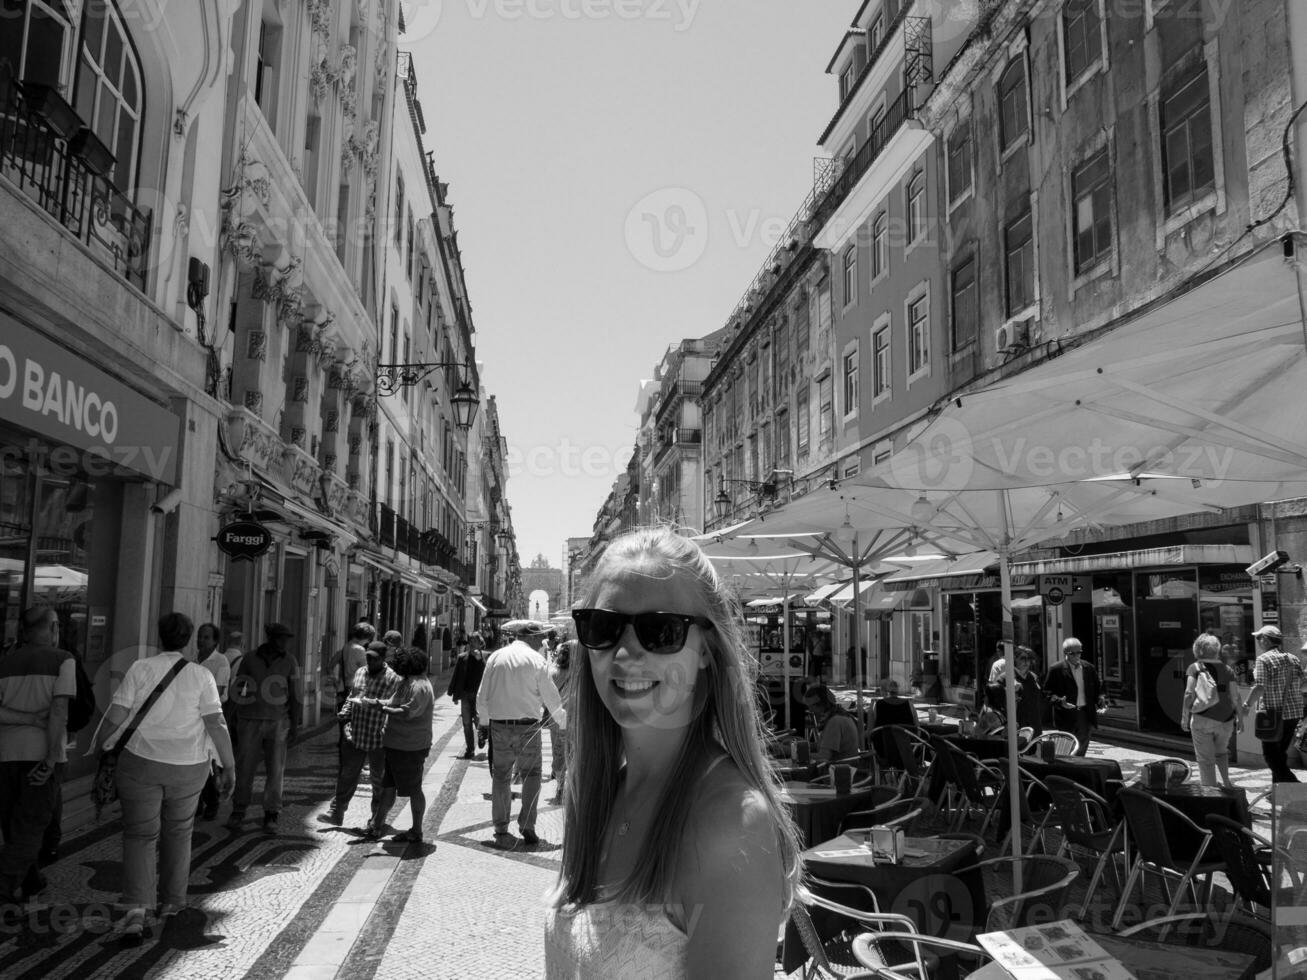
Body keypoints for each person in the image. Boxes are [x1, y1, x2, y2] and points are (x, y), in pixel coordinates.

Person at [546, 527, 801, 978]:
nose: (625, 653)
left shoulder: (729, 824)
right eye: (603, 627)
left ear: (707, 647)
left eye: (659, 631)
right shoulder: (600, 791)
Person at [97, 612, 236, 943]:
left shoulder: (141, 668)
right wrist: (229, 765)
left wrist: (101, 747)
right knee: (179, 832)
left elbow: (116, 714)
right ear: (188, 640)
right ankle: (172, 902)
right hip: (188, 767)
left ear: (159, 635)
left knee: (140, 836)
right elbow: (215, 723)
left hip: (140, 763)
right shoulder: (201, 676)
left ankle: (135, 913)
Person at [0, 606, 73, 903]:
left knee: (13, 821)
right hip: (41, 756)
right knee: (31, 826)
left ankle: (31, 879)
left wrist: (26, 719)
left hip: (5, 754)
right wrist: (52, 758)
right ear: (53, 628)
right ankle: (3, 887)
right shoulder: (63, 660)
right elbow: (59, 709)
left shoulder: (6, 661)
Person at [476, 619, 565, 847]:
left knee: (502, 775)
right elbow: (551, 697)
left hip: (500, 726)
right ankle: (527, 824)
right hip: (528, 727)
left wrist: (484, 724)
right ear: (532, 637)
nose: (541, 642)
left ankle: (500, 825)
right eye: (540, 638)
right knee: (532, 775)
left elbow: (482, 694)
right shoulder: (537, 660)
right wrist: (563, 723)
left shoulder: (496, 657)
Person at [320, 641, 400, 835]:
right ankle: (337, 811)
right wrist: (345, 711)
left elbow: (395, 705)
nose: (370, 661)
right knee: (347, 774)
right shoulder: (360, 672)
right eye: (368, 657)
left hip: (377, 737)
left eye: (374, 658)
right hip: (355, 733)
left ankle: (376, 819)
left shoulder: (393, 679)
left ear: (383, 658)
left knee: (378, 780)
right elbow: (351, 696)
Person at [228, 623, 301, 833]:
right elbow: (239, 687)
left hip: (278, 722)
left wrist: (294, 725)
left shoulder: (290, 660)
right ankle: (239, 809)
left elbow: (296, 695)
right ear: (271, 638)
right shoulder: (250, 658)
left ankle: (271, 812)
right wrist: (229, 716)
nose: (285, 642)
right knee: (245, 768)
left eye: (287, 638)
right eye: (281, 637)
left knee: (276, 769)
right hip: (249, 719)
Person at [375, 646, 435, 842]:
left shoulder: (419, 686)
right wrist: (376, 702)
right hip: (395, 744)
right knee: (388, 786)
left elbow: (408, 712)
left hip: (410, 746)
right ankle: (376, 825)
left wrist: (384, 709)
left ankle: (417, 830)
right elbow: (394, 701)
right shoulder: (406, 682)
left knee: (414, 788)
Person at [1241, 625, 1305, 783]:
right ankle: (1279, 790)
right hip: (1293, 713)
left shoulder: (1263, 659)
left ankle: (1294, 786)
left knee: (1270, 755)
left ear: (1266, 640)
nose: (1258, 641)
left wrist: (1247, 705)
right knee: (1280, 754)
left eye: (1258, 638)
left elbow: (1260, 687)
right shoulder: (1293, 658)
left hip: (1272, 714)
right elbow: (1303, 685)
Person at [1181, 634, 1241, 788]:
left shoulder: (1194, 668)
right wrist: (1240, 718)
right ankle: (1225, 787)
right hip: (1226, 719)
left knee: (1206, 760)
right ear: (1217, 650)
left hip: (1202, 718)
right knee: (1221, 753)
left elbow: (1189, 694)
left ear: (1198, 650)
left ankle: (1210, 793)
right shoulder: (1228, 669)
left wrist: (1185, 717)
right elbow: (1235, 697)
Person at [195, 622, 231, 820]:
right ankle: (198, 802)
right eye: (200, 636)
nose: (201, 640)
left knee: (209, 761)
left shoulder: (221, 661)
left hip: (211, 717)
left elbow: (218, 692)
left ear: (216, 641)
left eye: (206, 637)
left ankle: (212, 801)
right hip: (194, 717)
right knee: (196, 759)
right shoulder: (194, 660)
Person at [1043, 637, 1100, 756]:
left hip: (1085, 713)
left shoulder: (1088, 668)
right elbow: (1047, 692)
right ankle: (1067, 767)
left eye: (1079, 652)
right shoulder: (1056, 669)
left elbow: (1097, 688)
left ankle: (1078, 768)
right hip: (1066, 715)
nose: (1076, 656)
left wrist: (1101, 699)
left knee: (1082, 747)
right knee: (1066, 748)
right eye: (1072, 653)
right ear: (1065, 653)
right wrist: (1059, 701)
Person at [448, 634, 487, 759]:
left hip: (478, 696)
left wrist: (480, 659)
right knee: (466, 723)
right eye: (471, 641)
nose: (472, 644)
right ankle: (470, 749)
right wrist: (453, 694)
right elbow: (456, 676)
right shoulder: (462, 657)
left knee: (478, 721)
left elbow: (487, 675)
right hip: (465, 694)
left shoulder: (484, 657)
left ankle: (481, 736)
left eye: (475, 641)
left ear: (480, 643)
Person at [804, 685, 859, 763]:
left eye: (811, 706)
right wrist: (799, 746)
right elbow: (824, 745)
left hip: (838, 771)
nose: (810, 710)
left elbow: (824, 756)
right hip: (844, 767)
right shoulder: (841, 715)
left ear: (822, 704)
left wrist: (795, 753)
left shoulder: (835, 722)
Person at [547, 640, 574, 800]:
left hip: (555, 720)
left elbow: (544, 698)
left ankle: (560, 786)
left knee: (558, 753)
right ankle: (571, 786)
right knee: (572, 753)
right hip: (574, 720)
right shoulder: (579, 673)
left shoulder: (551, 672)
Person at [1011, 647, 1044, 737]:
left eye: (1028, 659)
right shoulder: (1007, 677)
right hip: (1017, 727)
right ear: (1015, 659)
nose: (1026, 661)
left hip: (1035, 726)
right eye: (1022, 658)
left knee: (1034, 750)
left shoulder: (1033, 677)